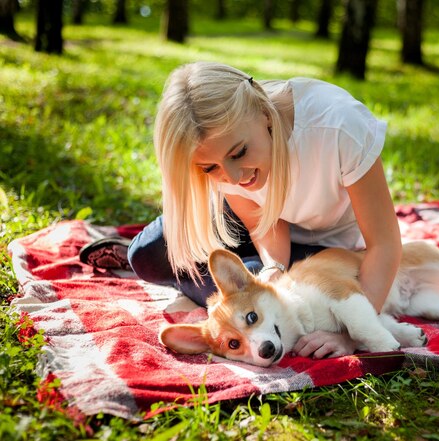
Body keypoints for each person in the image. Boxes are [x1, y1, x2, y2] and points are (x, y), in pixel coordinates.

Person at [80, 62, 402, 359]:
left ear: (264, 113)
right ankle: (216, 284)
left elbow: (385, 244)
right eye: (210, 168)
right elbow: (265, 222)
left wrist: (351, 336)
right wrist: (273, 268)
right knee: (146, 255)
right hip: (263, 232)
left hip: (320, 248)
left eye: (239, 152)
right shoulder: (230, 166)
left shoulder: (338, 126)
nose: (233, 177)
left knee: (253, 288)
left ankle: (220, 294)